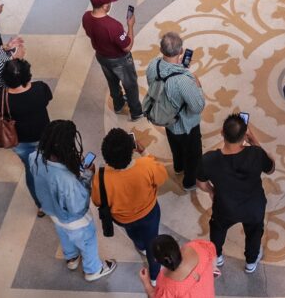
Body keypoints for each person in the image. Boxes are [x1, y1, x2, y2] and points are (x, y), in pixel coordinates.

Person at [30, 120, 118, 282]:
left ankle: (71, 258)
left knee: (63, 234)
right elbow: (77, 206)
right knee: (88, 240)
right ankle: (93, 269)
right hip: (75, 220)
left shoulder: (34, 157)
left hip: (52, 212)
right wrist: (87, 176)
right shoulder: (67, 179)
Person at [196, 114, 275, 273]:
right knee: (254, 232)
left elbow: (201, 183)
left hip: (225, 206)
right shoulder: (256, 153)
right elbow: (271, 168)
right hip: (254, 206)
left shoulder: (209, 160)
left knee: (217, 229)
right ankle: (251, 262)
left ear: (221, 133)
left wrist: (212, 192)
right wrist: (254, 141)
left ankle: (217, 256)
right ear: (245, 135)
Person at [91, 127, 167, 281]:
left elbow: (97, 200)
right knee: (153, 242)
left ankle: (140, 246)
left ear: (106, 157)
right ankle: (154, 276)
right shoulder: (147, 165)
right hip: (149, 214)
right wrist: (145, 153)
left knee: (133, 234)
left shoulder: (100, 177)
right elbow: (162, 177)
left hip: (122, 219)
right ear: (132, 149)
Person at [144, 32, 205, 191]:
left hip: (167, 120)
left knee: (175, 146)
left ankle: (178, 167)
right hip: (186, 126)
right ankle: (189, 182)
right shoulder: (183, 80)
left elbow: (154, 86)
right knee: (193, 155)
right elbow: (197, 106)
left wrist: (179, 68)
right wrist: (197, 84)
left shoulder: (153, 65)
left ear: (161, 49)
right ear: (181, 51)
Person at [0, 58, 51, 217]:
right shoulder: (40, 88)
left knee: (30, 170)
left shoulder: (1, 96)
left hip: (20, 141)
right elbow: (47, 100)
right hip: (44, 136)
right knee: (52, 165)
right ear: (28, 75)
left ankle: (40, 206)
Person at [82, 0, 140, 122]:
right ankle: (136, 112)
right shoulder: (113, 26)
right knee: (130, 85)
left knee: (112, 83)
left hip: (102, 57)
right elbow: (127, 46)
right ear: (105, 6)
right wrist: (130, 25)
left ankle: (118, 105)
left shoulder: (86, 17)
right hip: (120, 61)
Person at [140, 234, 218, 297]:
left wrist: (146, 282)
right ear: (177, 245)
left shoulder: (166, 285)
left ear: (156, 260)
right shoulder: (197, 246)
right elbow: (212, 253)